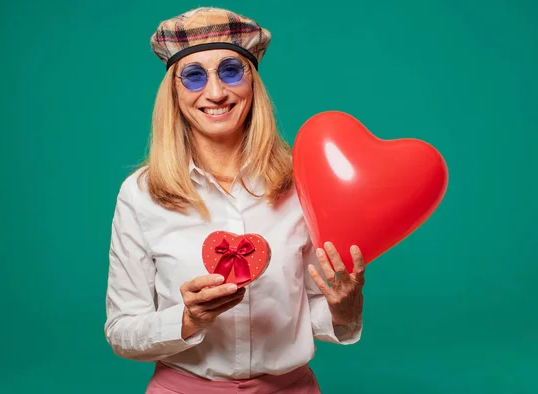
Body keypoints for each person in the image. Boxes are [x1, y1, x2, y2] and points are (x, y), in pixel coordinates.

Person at [104, 7, 366, 394]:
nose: (215, 92)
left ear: (253, 84)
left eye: (230, 70)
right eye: (193, 77)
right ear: (174, 94)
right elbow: (121, 330)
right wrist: (188, 320)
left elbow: (314, 311)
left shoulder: (303, 181)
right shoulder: (140, 193)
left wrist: (345, 306)